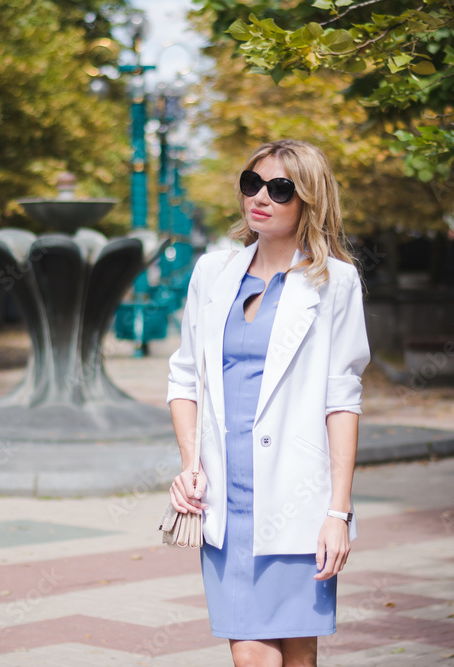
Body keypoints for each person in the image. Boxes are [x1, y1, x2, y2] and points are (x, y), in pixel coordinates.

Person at [166, 139, 371, 666]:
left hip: (298, 495)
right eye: (251, 183)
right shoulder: (212, 273)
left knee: (299, 654)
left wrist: (338, 512)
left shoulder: (336, 283)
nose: (261, 197)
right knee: (253, 655)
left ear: (309, 200)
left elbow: (341, 399)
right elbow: (185, 378)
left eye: (280, 189)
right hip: (227, 501)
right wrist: (190, 466)